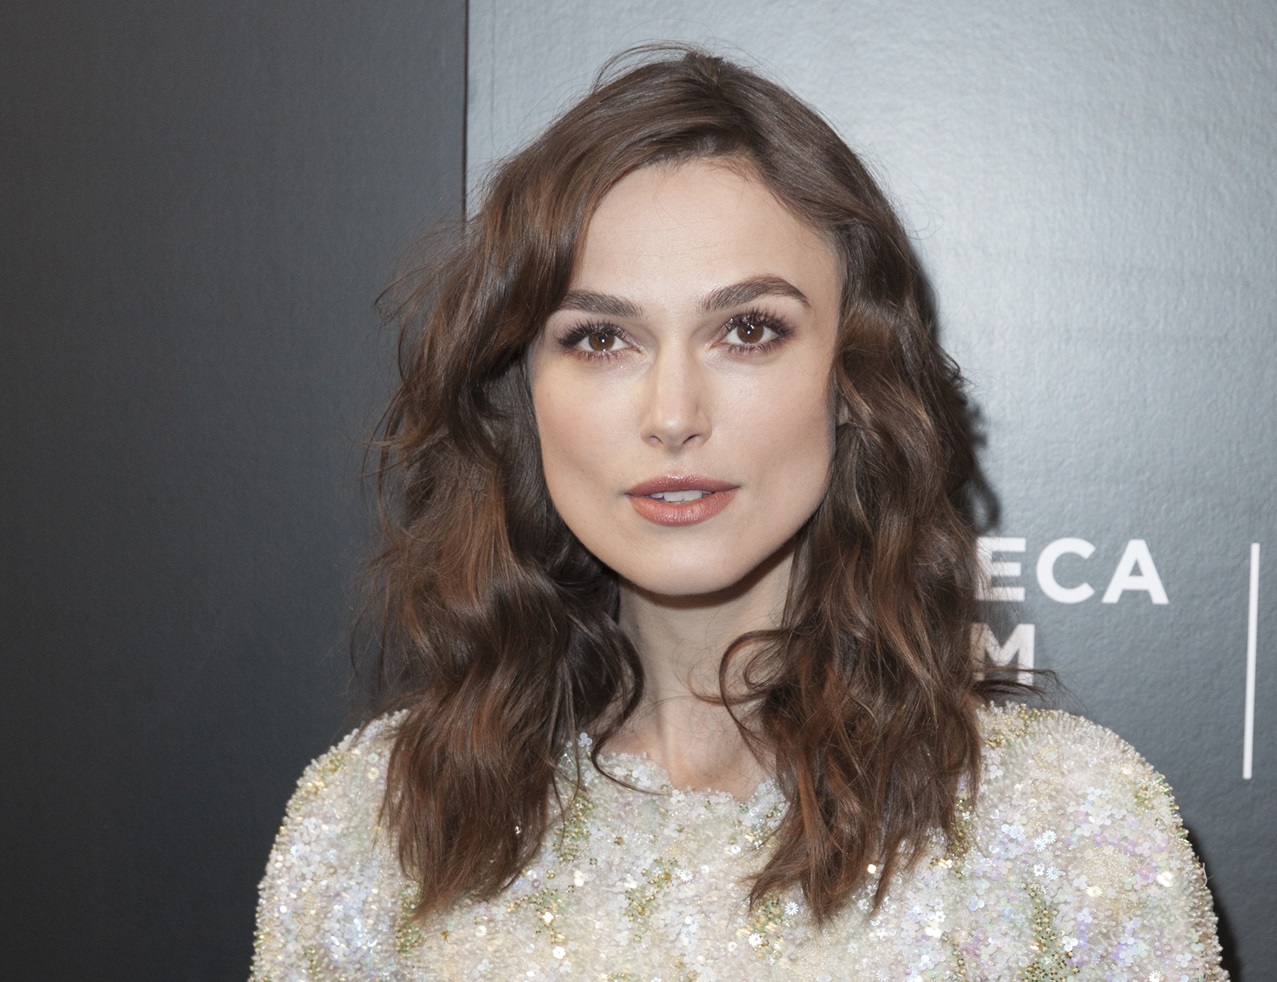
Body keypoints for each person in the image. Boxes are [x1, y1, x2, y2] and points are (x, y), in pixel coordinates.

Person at [251, 48, 1225, 979]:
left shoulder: (1070, 830)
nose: (673, 414)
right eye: (599, 338)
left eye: (747, 330)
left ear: (850, 377)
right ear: (521, 392)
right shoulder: (373, 827)